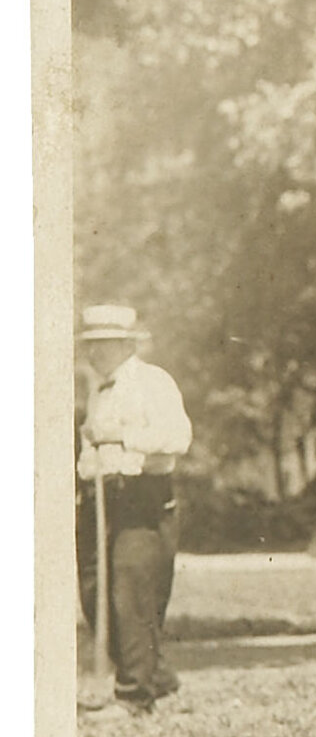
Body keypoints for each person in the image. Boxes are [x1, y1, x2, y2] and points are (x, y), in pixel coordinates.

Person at [76, 304, 193, 712]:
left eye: (104, 344)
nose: (95, 353)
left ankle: (134, 697)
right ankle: (156, 676)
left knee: (131, 595)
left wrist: (123, 436)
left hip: (142, 498)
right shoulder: (98, 388)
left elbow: (178, 438)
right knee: (94, 594)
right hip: (100, 499)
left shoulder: (153, 382)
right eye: (91, 345)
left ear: (127, 344)